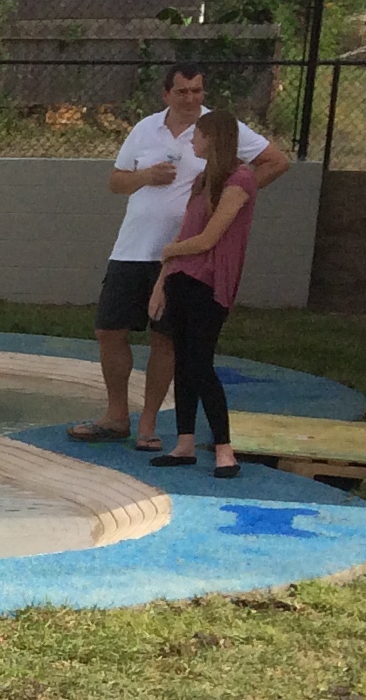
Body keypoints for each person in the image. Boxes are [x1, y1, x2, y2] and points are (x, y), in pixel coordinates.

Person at [70, 61, 287, 445]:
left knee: (165, 337)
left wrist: (229, 202)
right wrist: (145, 177)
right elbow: (116, 181)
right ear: (166, 94)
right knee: (108, 329)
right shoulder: (145, 128)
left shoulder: (217, 129)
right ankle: (116, 415)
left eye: (197, 91)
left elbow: (276, 161)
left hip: (184, 250)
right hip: (134, 246)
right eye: (183, 91)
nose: (191, 99)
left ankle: (148, 425)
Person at [147, 104, 258, 477]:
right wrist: (163, 279)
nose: (192, 139)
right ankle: (185, 443)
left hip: (209, 282)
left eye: (197, 134)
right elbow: (184, 235)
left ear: (212, 138)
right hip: (182, 278)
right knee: (184, 362)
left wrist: (168, 252)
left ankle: (224, 449)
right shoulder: (202, 181)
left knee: (201, 363)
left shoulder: (239, 181)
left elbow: (209, 238)